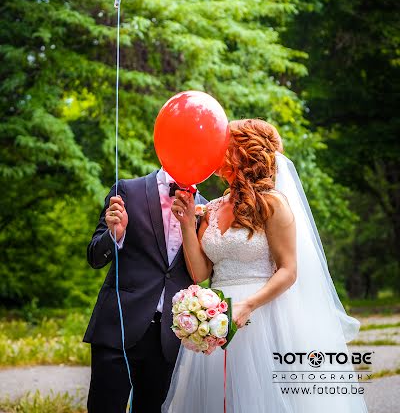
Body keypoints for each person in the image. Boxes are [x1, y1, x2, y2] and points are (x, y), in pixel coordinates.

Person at [162, 119, 368, 412]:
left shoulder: (273, 204)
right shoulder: (212, 208)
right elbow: (200, 273)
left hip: (263, 313)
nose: (214, 151)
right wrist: (185, 224)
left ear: (243, 152)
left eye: (223, 146)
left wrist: (248, 305)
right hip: (215, 316)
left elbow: (288, 270)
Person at [83, 166, 207, 413]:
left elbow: (200, 272)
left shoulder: (205, 208)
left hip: (168, 336)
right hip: (119, 324)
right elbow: (95, 256)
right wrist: (116, 234)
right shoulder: (127, 190)